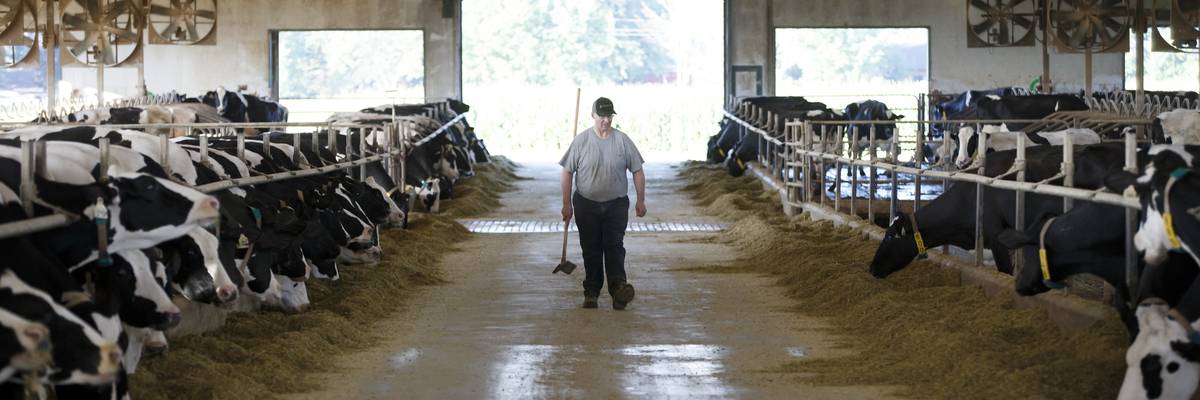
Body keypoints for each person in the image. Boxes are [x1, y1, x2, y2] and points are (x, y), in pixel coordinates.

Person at [559, 97, 646, 310]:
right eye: (602, 116)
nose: (606, 121)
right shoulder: (581, 141)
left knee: (614, 247)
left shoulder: (622, 140)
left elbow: (637, 170)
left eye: (609, 116)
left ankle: (618, 289)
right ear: (593, 116)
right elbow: (567, 172)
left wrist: (640, 199)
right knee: (591, 248)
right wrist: (566, 203)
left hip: (616, 205)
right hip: (586, 204)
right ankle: (592, 292)